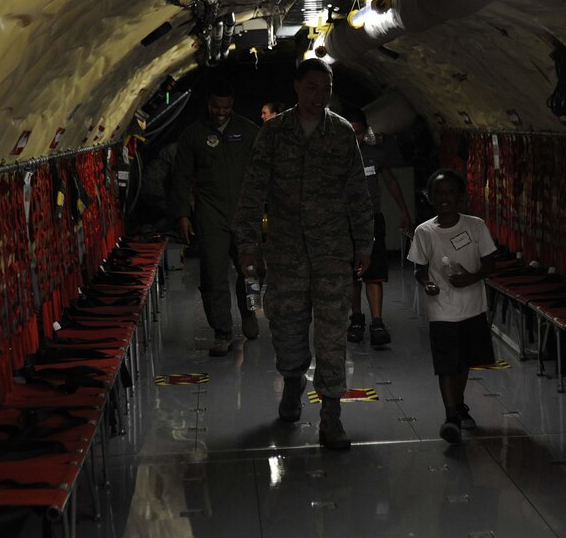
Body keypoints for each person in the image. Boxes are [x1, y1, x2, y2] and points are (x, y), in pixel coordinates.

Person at [233, 58, 373, 451]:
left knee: (332, 333)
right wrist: (247, 247)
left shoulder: (342, 133)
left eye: (326, 88)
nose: (319, 95)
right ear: (296, 88)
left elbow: (357, 193)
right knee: (288, 325)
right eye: (312, 87)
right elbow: (252, 193)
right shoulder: (275, 133)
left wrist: (365, 243)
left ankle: (331, 415)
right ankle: (292, 384)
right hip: (286, 252)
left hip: (332, 252)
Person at [169, 81, 261, 357]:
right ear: (208, 105)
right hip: (211, 214)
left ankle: (249, 311)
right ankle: (222, 332)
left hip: (245, 212)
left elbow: (264, 169)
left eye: (227, 108)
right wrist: (183, 214)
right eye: (216, 107)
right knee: (214, 275)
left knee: (254, 270)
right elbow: (181, 177)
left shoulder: (248, 131)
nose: (221, 112)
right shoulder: (193, 135)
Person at [407, 169, 497, 444]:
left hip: (471, 305)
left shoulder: (475, 226)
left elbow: (490, 262)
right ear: (430, 197)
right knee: (447, 362)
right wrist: (427, 284)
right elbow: (419, 268)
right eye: (438, 193)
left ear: (460, 197)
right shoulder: (425, 231)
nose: (444, 198)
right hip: (442, 308)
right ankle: (451, 416)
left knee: (463, 361)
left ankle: (458, 403)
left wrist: (472, 277)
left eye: (450, 193)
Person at [344, 108, 413, 348]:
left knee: (374, 274)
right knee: (353, 275)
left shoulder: (375, 155)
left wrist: (404, 210)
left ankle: (376, 321)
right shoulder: (334, 156)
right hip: (345, 222)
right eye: (351, 133)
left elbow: (391, 182)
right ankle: (356, 318)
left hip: (372, 220)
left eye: (360, 133)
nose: (356, 138)